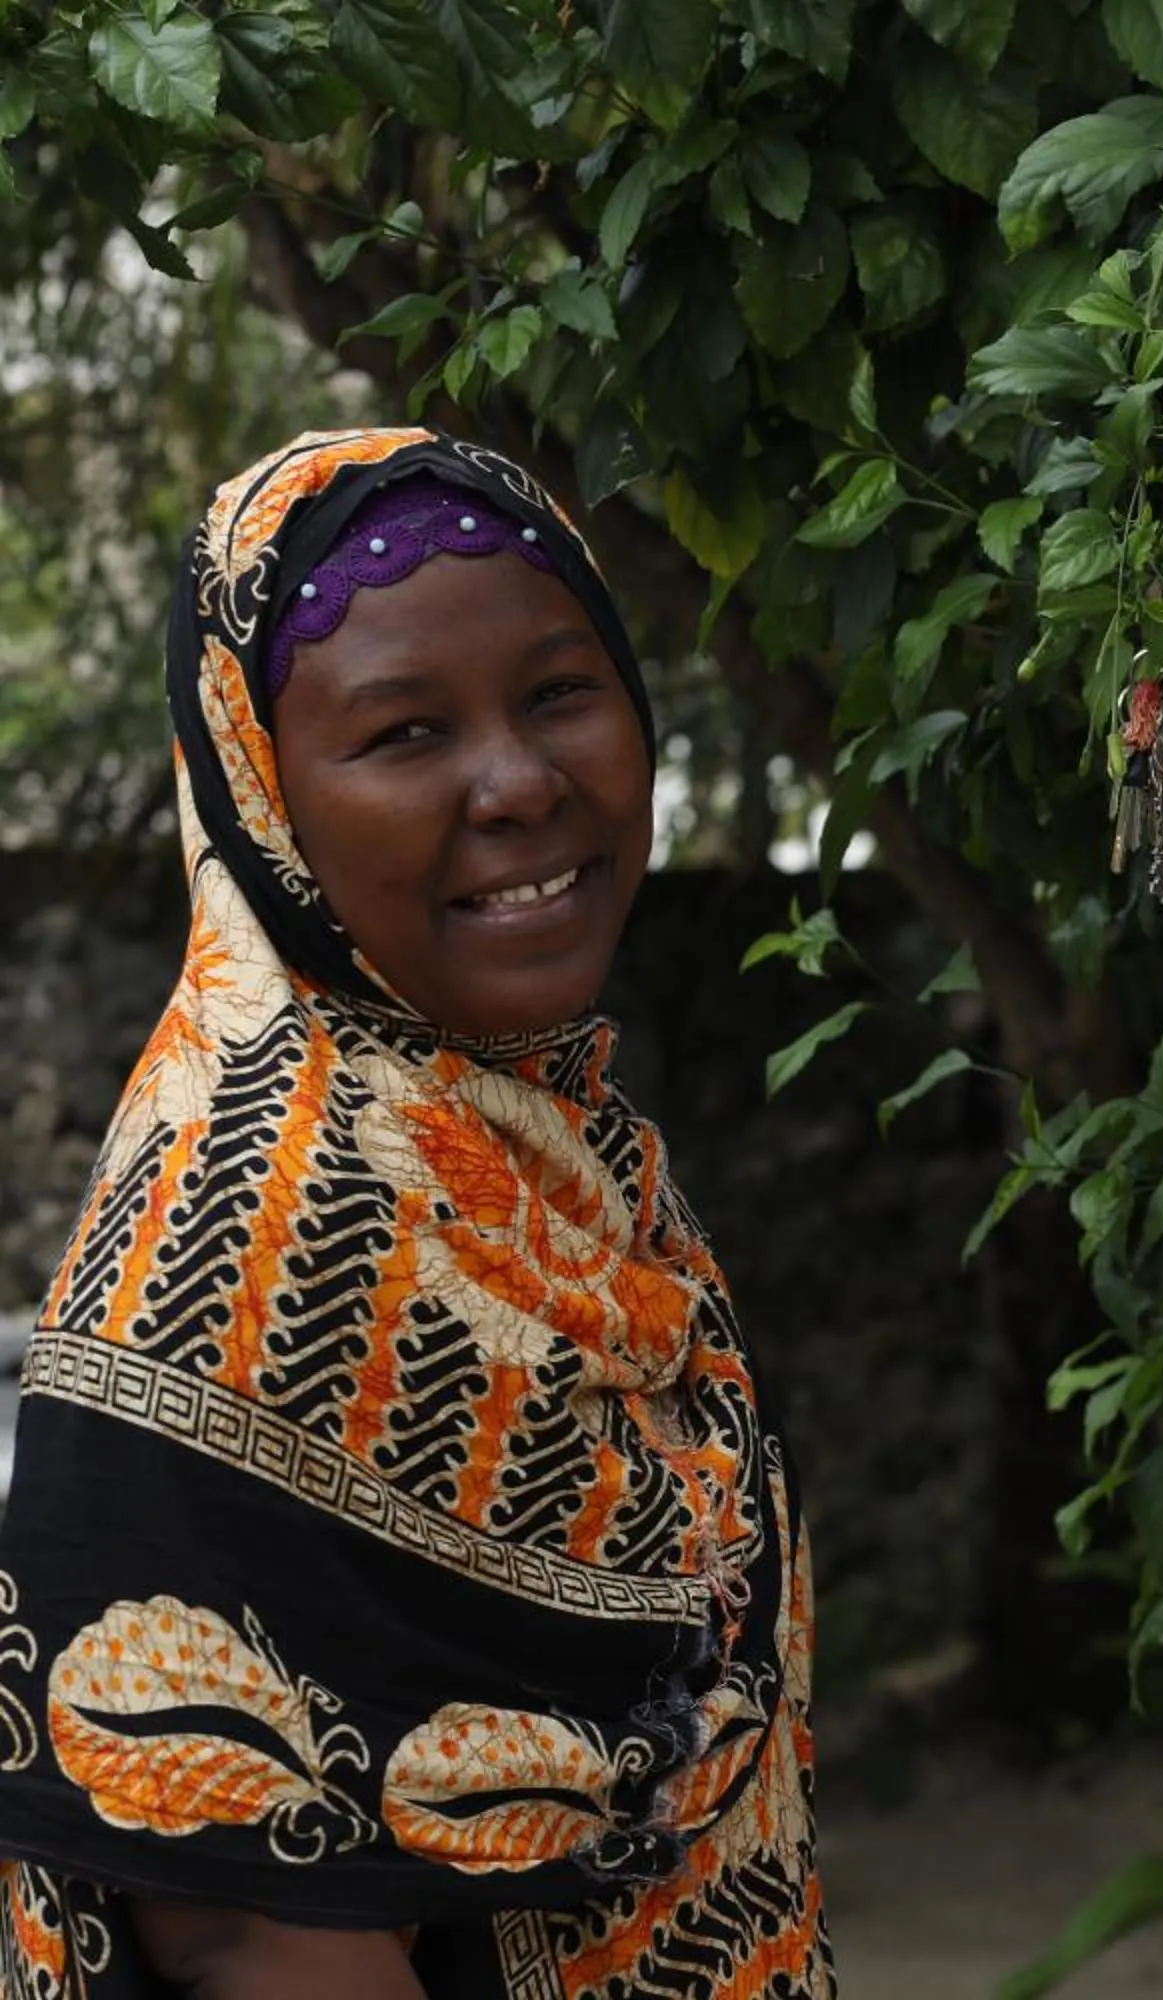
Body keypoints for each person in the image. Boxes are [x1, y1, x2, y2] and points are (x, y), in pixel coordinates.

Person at [0, 430, 830, 1998]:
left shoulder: (536, 1146)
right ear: (264, 797)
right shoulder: (262, 1202)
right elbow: (240, 1924)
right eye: (404, 732)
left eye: (561, 694)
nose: (520, 784)